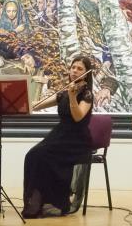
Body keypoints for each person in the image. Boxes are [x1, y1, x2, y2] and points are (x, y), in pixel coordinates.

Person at [22, 56, 95, 217]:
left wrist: (72, 97)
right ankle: (36, 200)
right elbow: (36, 106)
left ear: (86, 74)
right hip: (61, 134)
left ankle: (54, 201)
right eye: (73, 67)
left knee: (41, 156)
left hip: (77, 140)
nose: (75, 71)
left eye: (80, 69)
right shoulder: (63, 93)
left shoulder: (87, 95)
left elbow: (78, 117)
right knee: (33, 155)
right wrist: (23, 104)